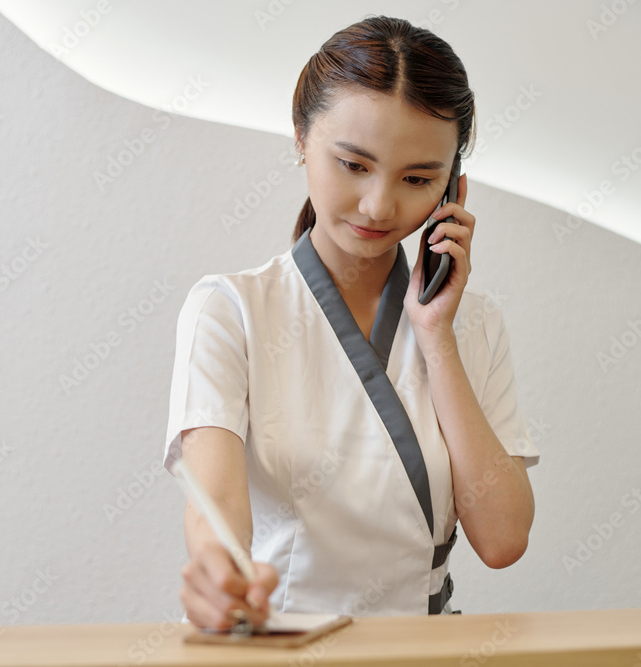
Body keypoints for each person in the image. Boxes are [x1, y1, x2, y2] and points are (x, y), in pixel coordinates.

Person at [163, 15, 539, 631]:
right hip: (279, 644)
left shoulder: (474, 326)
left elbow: (502, 540)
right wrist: (219, 572)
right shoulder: (229, 310)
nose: (379, 206)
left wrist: (435, 333)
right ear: (301, 140)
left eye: (418, 180)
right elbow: (217, 511)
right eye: (353, 164)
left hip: (422, 649)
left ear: (454, 192)